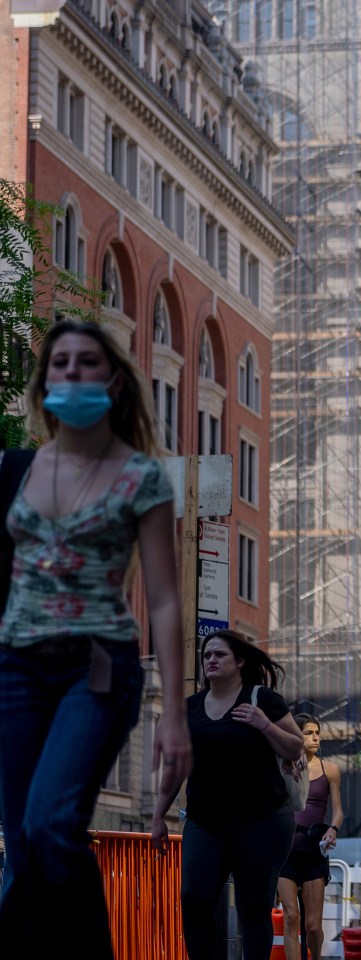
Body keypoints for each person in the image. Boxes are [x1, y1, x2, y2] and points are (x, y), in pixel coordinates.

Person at [0, 321, 191, 955]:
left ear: (111, 380)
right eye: (60, 363)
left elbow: (164, 600)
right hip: (15, 670)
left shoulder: (141, 477)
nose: (73, 373)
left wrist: (175, 718)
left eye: (87, 362)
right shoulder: (15, 467)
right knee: (24, 848)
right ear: (44, 380)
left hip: (97, 669)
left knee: (51, 826)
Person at [154, 630, 304, 959]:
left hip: (262, 822)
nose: (210, 660)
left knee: (253, 906)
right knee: (194, 899)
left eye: (219, 654)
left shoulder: (261, 699)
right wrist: (158, 817)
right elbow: (176, 767)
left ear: (239, 661)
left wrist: (264, 724)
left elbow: (296, 746)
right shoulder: (190, 708)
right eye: (207, 655)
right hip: (206, 822)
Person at [278, 714, 343, 960]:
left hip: (315, 852)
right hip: (286, 852)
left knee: (313, 925)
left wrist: (333, 829)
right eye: (308, 733)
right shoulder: (283, 767)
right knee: (291, 916)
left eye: (317, 732)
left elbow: (338, 811)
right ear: (296, 735)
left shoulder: (331, 770)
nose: (315, 737)